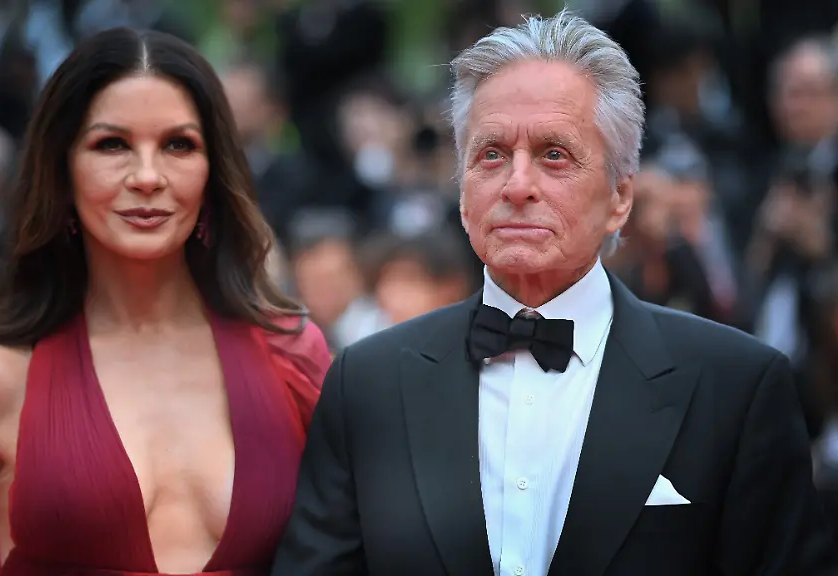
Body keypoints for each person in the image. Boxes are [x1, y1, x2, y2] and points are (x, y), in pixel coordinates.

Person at [272, 11, 838, 576]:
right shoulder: (366, 384)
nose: (517, 185)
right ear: (463, 191)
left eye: (554, 155)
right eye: (491, 154)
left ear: (620, 197)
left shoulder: (735, 387)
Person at [0, 27, 330, 576]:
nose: (148, 176)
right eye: (112, 145)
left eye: (179, 144)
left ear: (213, 170)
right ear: (61, 169)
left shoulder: (292, 359)